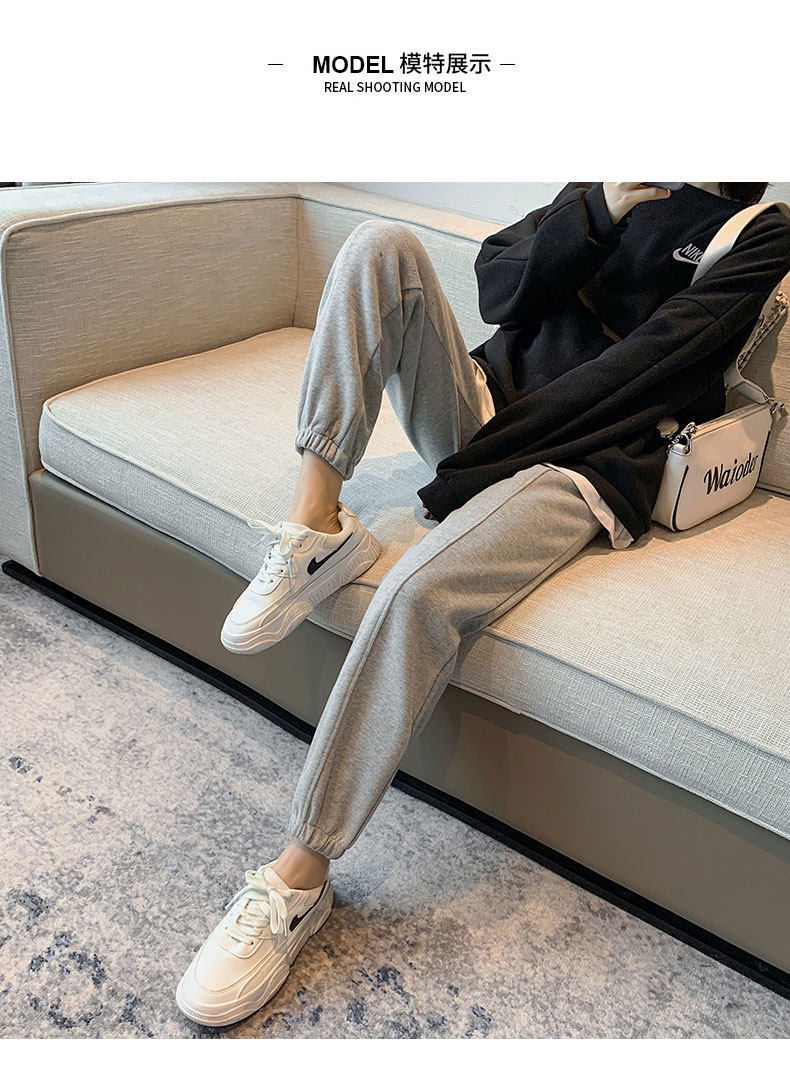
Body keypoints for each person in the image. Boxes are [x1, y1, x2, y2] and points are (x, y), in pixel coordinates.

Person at [176, 182, 790, 1026]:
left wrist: (486, 461)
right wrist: (600, 210)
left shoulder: (756, 232)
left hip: (583, 461)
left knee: (418, 589)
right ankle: (314, 522)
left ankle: (298, 876)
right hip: (487, 407)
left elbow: (655, 367)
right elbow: (498, 286)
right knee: (380, 245)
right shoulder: (606, 185)